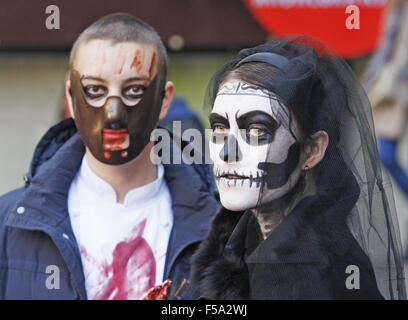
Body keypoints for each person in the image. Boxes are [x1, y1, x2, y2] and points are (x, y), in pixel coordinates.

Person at [0, 13, 218, 300]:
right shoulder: (10, 224)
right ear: (71, 99)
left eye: (135, 90)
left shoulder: (222, 231)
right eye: (94, 90)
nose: (113, 113)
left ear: (164, 100)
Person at [191, 37, 406, 300]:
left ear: (312, 149)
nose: (226, 152)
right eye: (220, 129)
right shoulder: (231, 246)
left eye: (257, 130)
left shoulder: (325, 278)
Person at [363, 0, 408, 196]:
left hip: (400, 88)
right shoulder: (395, 8)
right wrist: (368, 83)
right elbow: (384, 50)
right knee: (386, 153)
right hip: (395, 92)